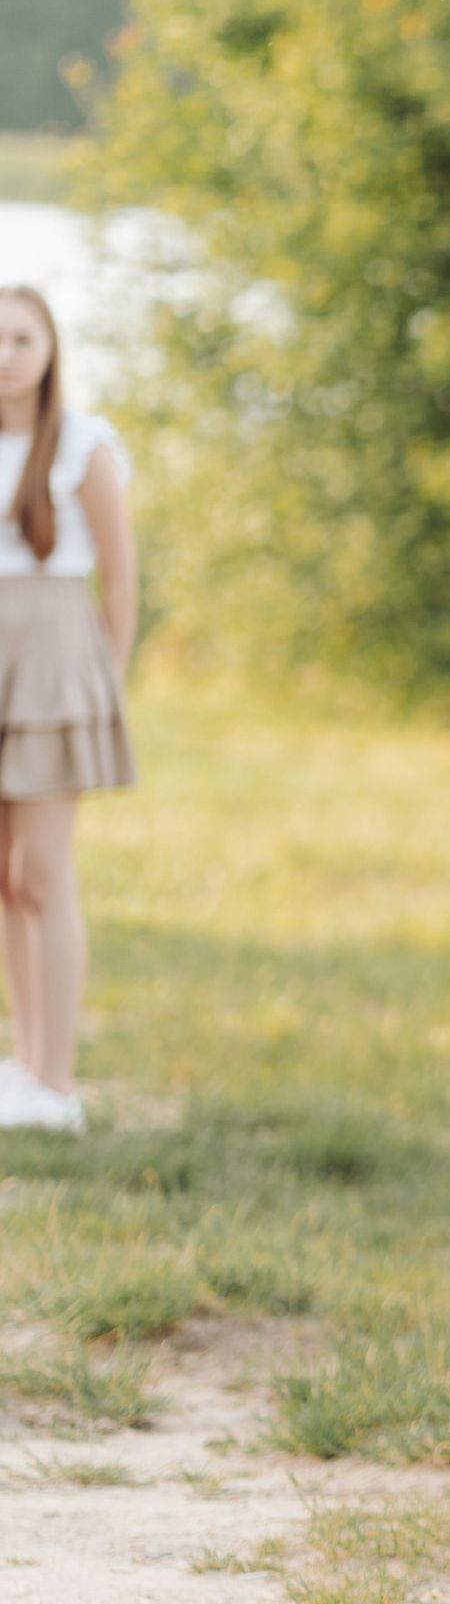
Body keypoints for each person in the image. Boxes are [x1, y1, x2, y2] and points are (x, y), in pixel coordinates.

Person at [0, 288, 137, 1135]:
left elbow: (120, 585)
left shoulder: (84, 446)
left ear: (50, 348)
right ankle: (25, 1064)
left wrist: (103, 689)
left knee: (44, 872)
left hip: (53, 673)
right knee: (5, 879)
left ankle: (57, 1085)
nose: (5, 355)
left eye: (21, 338)